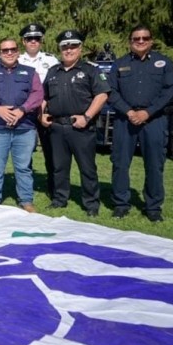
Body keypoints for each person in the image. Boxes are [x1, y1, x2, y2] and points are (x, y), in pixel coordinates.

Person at [107, 25, 173, 222]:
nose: (140, 41)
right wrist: (129, 111)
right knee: (120, 163)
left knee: (154, 164)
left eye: (145, 38)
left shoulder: (164, 63)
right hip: (125, 119)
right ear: (130, 41)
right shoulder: (119, 64)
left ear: (151, 41)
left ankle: (153, 207)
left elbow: (169, 90)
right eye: (136, 38)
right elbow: (110, 91)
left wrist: (148, 112)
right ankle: (121, 204)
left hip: (154, 119)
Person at [40, 30, 110, 216]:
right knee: (59, 167)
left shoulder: (90, 70)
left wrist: (86, 117)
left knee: (87, 168)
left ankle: (91, 204)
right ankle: (59, 199)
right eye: (65, 47)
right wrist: (41, 114)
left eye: (73, 46)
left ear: (80, 48)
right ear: (60, 49)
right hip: (57, 127)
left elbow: (102, 95)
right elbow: (44, 96)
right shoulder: (53, 71)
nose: (69, 50)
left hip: (81, 127)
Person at [0, 37, 43, 212]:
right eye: (5, 50)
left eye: (12, 49)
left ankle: (26, 200)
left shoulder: (30, 72)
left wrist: (22, 110)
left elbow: (37, 94)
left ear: (18, 51)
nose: (9, 53)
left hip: (24, 128)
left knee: (23, 167)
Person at [18, 23, 59, 199]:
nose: (33, 41)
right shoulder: (17, 60)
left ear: (41, 40)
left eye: (36, 38)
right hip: (24, 112)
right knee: (24, 152)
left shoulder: (52, 60)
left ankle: (54, 188)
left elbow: (55, 87)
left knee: (51, 151)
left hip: (45, 111)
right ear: (23, 41)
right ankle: (24, 186)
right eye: (29, 39)